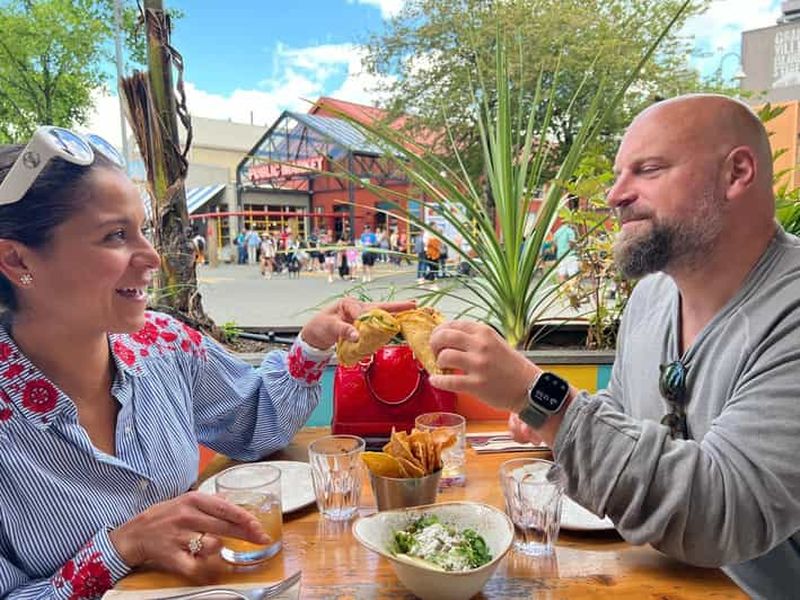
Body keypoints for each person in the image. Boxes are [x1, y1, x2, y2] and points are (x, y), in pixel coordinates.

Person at [0, 127, 415, 599]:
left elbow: (255, 423)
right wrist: (122, 548)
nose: (152, 257)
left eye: (144, 230)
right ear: (15, 260)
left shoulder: (164, 343)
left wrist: (314, 345)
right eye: (115, 235)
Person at [428, 95, 800, 599]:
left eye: (647, 170)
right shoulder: (650, 298)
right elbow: (623, 415)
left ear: (736, 173)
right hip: (665, 575)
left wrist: (542, 399)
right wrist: (547, 415)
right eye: (618, 174)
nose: (615, 195)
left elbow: (727, 511)